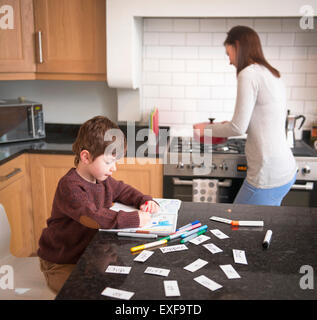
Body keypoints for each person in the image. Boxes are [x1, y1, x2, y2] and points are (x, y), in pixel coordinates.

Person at [38, 116, 159, 294]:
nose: (114, 168)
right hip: (61, 261)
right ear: (86, 157)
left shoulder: (102, 180)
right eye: (109, 162)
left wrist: (144, 200)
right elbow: (92, 216)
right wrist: (134, 218)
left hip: (89, 256)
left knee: (123, 283)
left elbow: (123, 190)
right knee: (83, 293)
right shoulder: (70, 187)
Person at [194, 26, 297, 206]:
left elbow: (237, 128)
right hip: (285, 169)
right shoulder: (270, 73)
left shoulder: (248, 74)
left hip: (267, 174)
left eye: (228, 53)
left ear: (238, 45)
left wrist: (206, 128)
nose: (230, 61)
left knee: (237, 223)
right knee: (261, 226)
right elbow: (264, 120)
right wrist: (231, 124)